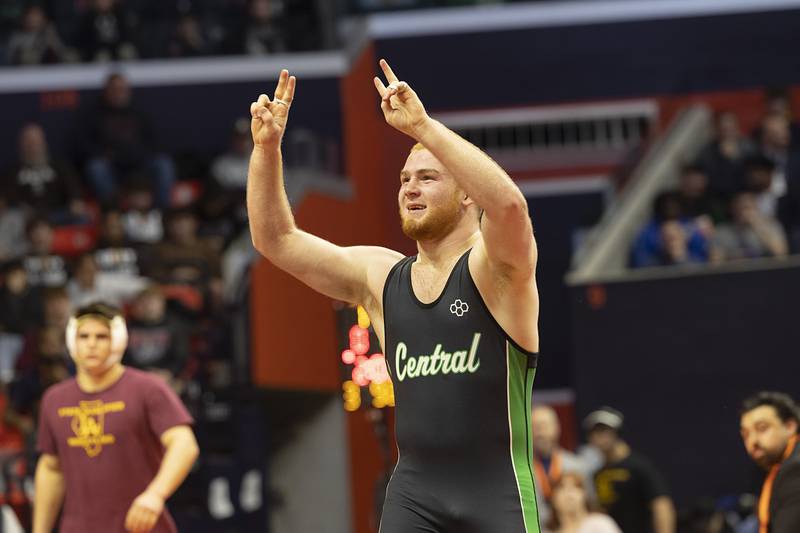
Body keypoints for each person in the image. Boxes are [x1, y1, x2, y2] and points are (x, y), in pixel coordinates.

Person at [247, 61, 539, 532]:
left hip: (496, 492)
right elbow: (275, 241)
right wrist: (266, 150)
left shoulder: (496, 270)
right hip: (415, 495)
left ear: (467, 195)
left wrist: (421, 127)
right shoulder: (381, 276)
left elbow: (509, 206)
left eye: (427, 177)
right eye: (404, 179)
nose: (409, 188)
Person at [33, 303, 199, 533]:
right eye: (84, 336)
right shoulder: (54, 399)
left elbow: (184, 444)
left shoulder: (147, 389)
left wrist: (155, 494)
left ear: (119, 341)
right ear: (71, 342)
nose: (91, 344)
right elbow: (51, 468)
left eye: (101, 336)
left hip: (141, 527)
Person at [584, 407, 676, 533]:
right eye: (594, 432)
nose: (599, 436)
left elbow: (661, 505)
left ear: (617, 432)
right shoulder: (597, 474)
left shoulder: (638, 466)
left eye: (605, 430)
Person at [740, 391, 800, 533]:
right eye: (746, 435)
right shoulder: (784, 466)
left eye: (762, 428)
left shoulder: (795, 470)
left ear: (790, 426)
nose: (752, 441)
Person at [532, 405, 590, 526]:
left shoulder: (577, 466)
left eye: (544, 425)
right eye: (534, 426)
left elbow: (589, 503)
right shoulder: (519, 470)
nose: (540, 432)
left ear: (557, 428)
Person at [548, 472, 621, 533]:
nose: (569, 492)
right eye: (561, 487)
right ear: (553, 499)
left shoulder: (600, 522)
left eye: (576, 486)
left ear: (585, 495)